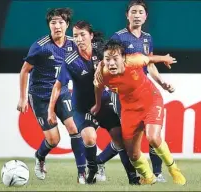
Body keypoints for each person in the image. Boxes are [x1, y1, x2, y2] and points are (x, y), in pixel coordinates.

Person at [48, 20, 140, 185]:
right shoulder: (70, 60)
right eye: (75, 36)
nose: (79, 39)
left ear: (91, 36)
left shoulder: (102, 51)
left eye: (83, 35)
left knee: (119, 138)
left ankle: (133, 178)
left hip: (103, 103)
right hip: (82, 108)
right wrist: (50, 111)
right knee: (90, 138)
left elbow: (120, 59)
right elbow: (57, 86)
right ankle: (92, 169)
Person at [96, 0, 175, 182]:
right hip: (123, 95)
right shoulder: (119, 37)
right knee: (127, 139)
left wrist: (162, 83)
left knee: (153, 133)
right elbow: (107, 62)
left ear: (146, 16)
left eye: (141, 12)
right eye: (134, 11)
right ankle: (102, 162)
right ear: (127, 15)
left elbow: (150, 65)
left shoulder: (147, 38)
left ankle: (157, 172)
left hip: (145, 92)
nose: (137, 15)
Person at [91, 40, 186, 185]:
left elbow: (149, 59)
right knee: (132, 154)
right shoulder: (103, 74)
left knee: (153, 138)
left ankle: (174, 170)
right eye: (107, 59)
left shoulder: (134, 60)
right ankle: (148, 177)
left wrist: (165, 58)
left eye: (115, 59)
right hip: (129, 111)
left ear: (123, 58)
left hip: (151, 102)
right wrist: (97, 105)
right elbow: (97, 88)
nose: (111, 63)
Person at [16, 8, 86, 184]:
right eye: (53, 22)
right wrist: (23, 98)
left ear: (67, 25)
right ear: (49, 25)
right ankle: (40, 156)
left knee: (74, 128)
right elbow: (24, 71)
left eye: (61, 22)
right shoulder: (40, 46)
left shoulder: (73, 45)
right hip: (40, 95)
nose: (57, 26)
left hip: (61, 93)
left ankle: (82, 173)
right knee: (54, 140)